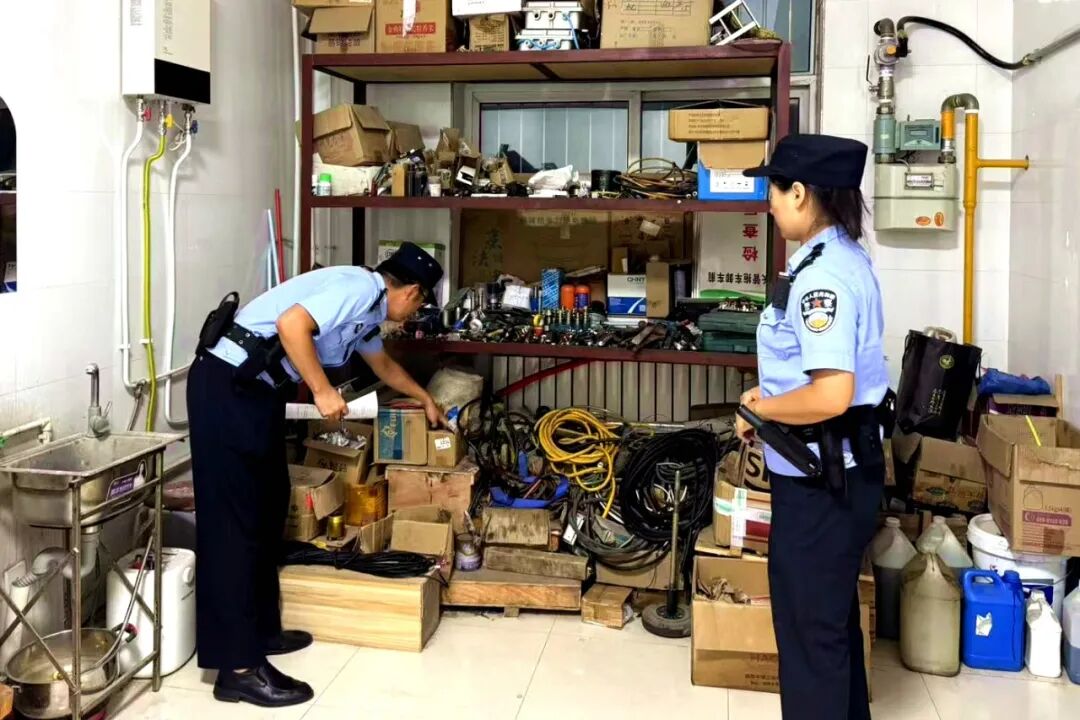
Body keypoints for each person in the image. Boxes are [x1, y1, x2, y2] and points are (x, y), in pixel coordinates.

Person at [186, 242, 446, 707]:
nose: (413, 314)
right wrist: (323, 391)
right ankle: (238, 669)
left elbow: (382, 364)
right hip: (227, 387)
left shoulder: (367, 312)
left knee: (268, 507)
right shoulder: (357, 286)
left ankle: (260, 632)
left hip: (258, 393)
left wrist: (425, 398)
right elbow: (292, 326)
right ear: (409, 292)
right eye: (418, 304)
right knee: (234, 521)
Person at [734, 135, 890, 720]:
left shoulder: (821, 280)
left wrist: (762, 410)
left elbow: (831, 394)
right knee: (830, 627)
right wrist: (771, 401)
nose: (770, 204)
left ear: (799, 193)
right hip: (842, 471)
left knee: (808, 638)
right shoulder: (844, 257)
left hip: (824, 483)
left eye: (773, 191)